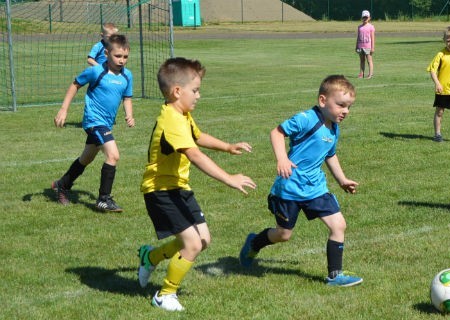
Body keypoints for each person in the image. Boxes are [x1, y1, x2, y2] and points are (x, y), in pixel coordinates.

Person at [136, 57, 257, 312]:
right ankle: (165, 294)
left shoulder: (183, 114)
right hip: (160, 190)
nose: (199, 96)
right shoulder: (171, 119)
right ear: (177, 91)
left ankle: (151, 257)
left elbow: (198, 137)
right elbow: (195, 154)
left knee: (202, 240)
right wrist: (229, 179)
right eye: (195, 90)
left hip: (179, 187)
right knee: (191, 243)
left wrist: (227, 146)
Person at [239, 75, 363, 287]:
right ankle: (254, 242)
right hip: (290, 188)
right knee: (283, 234)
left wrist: (341, 179)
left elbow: (330, 154)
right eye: (341, 105)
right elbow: (277, 133)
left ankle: (334, 276)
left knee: (338, 225)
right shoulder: (306, 118)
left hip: (316, 188)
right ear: (323, 101)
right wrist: (282, 158)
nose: (345, 111)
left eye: (349, 107)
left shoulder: (334, 127)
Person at [52, 34, 134, 212]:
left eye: (125, 57)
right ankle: (104, 199)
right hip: (93, 121)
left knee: (86, 159)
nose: (121, 60)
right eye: (117, 56)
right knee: (113, 155)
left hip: (106, 123)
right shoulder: (96, 71)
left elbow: (127, 98)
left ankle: (62, 185)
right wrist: (64, 109)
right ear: (106, 53)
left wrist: (129, 115)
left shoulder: (127, 76)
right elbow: (75, 85)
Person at [356, 10, 375, 79]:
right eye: (364, 17)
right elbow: (358, 37)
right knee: (362, 60)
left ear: (369, 18)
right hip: (360, 46)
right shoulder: (359, 27)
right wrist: (356, 46)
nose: (365, 19)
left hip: (368, 47)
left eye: (366, 17)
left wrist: (372, 47)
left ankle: (370, 74)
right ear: (361, 18)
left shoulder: (371, 27)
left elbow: (373, 38)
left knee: (369, 60)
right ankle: (361, 73)